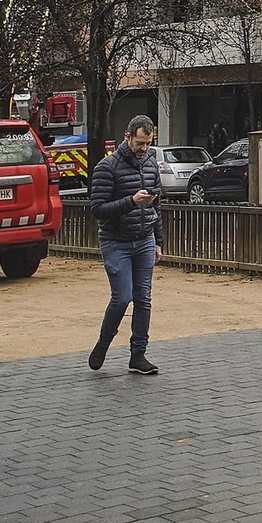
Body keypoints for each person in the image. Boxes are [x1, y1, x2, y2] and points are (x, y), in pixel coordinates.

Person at [88, 115, 163, 375]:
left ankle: (138, 355)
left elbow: (157, 205)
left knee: (144, 298)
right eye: (139, 143)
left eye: (148, 143)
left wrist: (158, 241)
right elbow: (98, 209)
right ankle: (104, 343)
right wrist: (131, 201)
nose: (143, 149)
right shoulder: (106, 167)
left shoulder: (151, 164)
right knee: (122, 297)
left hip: (145, 240)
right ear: (127, 136)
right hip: (116, 241)